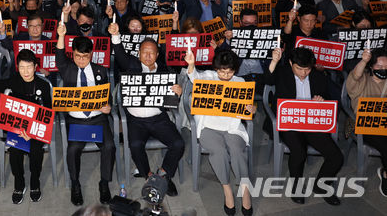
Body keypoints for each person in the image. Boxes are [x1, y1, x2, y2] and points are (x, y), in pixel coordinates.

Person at [108, 22, 184, 196]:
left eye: (151, 52)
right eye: (144, 52)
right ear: (139, 53)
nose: (148, 56)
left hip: (158, 118)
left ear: (157, 54)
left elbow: (169, 100)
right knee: (135, 145)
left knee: (178, 143)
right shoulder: (131, 65)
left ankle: (163, 176)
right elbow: (120, 54)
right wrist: (115, 36)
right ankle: (149, 177)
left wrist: (177, 93)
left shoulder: (164, 71)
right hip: (135, 120)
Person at [264, 47, 343, 206]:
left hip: (311, 122)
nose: (303, 73)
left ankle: (322, 185)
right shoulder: (283, 73)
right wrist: (274, 61)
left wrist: (321, 101)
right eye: (299, 69)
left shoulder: (318, 77)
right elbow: (265, 82)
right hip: (289, 123)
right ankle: (297, 186)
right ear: (291, 63)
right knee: (299, 152)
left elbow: (329, 99)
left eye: (307, 69)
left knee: (336, 156)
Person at [185, 49, 254, 216]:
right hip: (209, 127)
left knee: (237, 151)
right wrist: (191, 64)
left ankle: (245, 189)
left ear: (235, 70)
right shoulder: (208, 76)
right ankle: (227, 188)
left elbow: (248, 109)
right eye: (222, 71)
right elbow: (195, 77)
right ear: (216, 68)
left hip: (233, 127)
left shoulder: (240, 81)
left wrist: (251, 108)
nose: (226, 75)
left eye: (230, 71)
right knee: (219, 152)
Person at [56, 22, 115, 206]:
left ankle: (104, 183)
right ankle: (75, 184)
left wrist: (108, 106)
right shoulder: (68, 69)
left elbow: (107, 95)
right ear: (72, 53)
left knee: (110, 146)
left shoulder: (100, 70)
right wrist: (60, 35)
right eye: (77, 56)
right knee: (73, 149)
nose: (81, 60)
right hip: (76, 120)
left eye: (85, 56)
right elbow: (59, 56)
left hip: (97, 118)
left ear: (92, 54)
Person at [0, 49, 52, 204]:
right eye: (22, 67)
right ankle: (19, 183)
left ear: (36, 67)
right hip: (16, 128)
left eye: (29, 67)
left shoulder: (42, 85)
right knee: (15, 151)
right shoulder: (14, 81)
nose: (26, 71)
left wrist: (32, 131)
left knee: (36, 151)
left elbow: (47, 113)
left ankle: (35, 181)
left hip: (35, 129)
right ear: (17, 67)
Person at [346, 46, 387, 196]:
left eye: (386, 67)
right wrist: (363, 60)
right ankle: (385, 174)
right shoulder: (362, 79)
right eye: (380, 66)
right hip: (363, 125)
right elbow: (355, 76)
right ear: (371, 66)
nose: (383, 70)